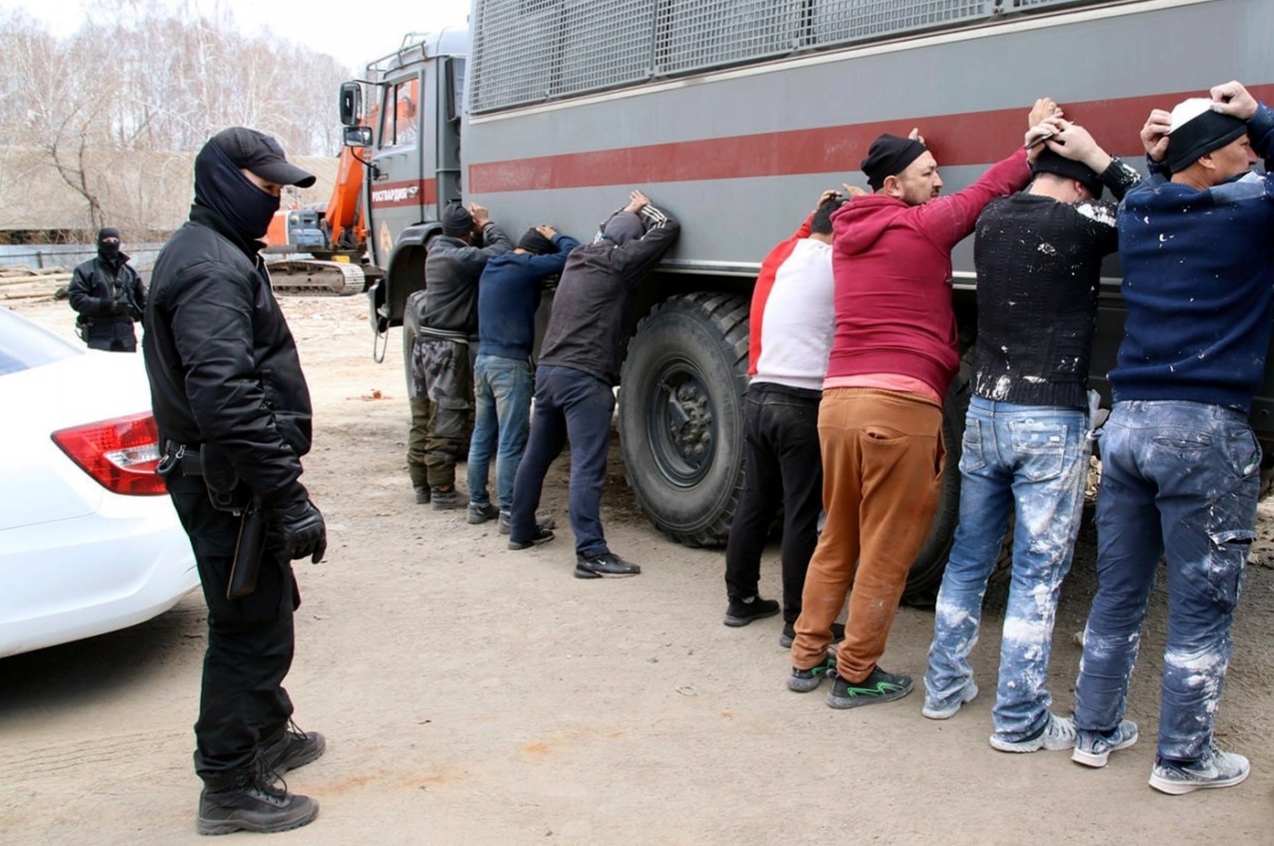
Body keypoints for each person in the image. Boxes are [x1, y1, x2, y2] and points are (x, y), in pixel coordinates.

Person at [787, 101, 1060, 707]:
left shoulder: (846, 234)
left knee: (839, 534)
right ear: (893, 185)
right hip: (900, 406)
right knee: (888, 547)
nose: (939, 182)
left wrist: (909, 157)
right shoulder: (925, 226)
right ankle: (856, 674)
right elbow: (986, 191)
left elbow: (905, 199)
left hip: (838, 402)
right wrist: (1030, 147)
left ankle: (807, 656)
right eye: (929, 172)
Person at [1071, 81, 1273, 794]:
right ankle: (1183, 760)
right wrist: (1260, 116)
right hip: (1202, 430)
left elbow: (1156, 191)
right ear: (1210, 159)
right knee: (1200, 603)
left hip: (1128, 425)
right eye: (1242, 146)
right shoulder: (1252, 213)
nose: (1254, 154)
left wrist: (1161, 160)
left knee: (1119, 590)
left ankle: (1093, 732)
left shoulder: (1141, 212)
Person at [921, 120, 1141, 752]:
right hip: (1048, 417)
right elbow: (1152, 211)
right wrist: (1108, 163)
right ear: (1080, 186)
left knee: (969, 554)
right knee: (1037, 572)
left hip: (985, 412)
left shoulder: (991, 219)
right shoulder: (1082, 222)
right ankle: (1020, 719)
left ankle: (944, 687)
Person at [143, 127, 327, 835]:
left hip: (232, 477)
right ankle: (226, 783)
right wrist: (287, 494)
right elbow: (224, 395)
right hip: (227, 483)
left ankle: (266, 734)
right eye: (265, 187)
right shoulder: (210, 267)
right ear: (222, 181)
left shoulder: (216, 251)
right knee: (247, 629)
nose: (274, 201)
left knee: (267, 610)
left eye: (280, 190)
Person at [507, 190, 679, 578]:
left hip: (549, 372)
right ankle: (591, 552)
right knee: (588, 465)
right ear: (627, 242)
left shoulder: (576, 259)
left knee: (537, 455)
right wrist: (645, 207)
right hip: (584, 378)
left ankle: (520, 529)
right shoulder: (620, 263)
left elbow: (606, 231)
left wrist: (625, 211)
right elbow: (668, 228)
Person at [723, 189, 847, 645]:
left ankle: (740, 600)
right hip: (802, 401)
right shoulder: (839, 264)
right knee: (801, 512)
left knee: (755, 501)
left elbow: (806, 234)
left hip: (759, 396)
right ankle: (799, 621)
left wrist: (815, 212)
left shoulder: (783, 254)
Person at [466, 224, 580, 530]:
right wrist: (556, 236)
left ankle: (477, 505)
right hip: (509, 365)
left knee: (482, 436)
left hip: (483, 361)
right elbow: (574, 253)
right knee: (511, 442)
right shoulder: (526, 266)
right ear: (536, 255)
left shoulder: (492, 266)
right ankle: (510, 514)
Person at [409, 202, 512, 509]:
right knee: (448, 415)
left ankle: (422, 485)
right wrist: (487, 224)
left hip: (425, 343)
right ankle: (442, 490)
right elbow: (503, 251)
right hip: (446, 347)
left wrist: (473, 231)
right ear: (467, 232)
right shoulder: (458, 257)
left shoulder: (437, 249)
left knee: (422, 415)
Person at [67, 227, 146, 351]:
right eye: (107, 240)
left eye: (115, 240)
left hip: (126, 334)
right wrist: (106, 305)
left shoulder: (129, 272)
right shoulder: (86, 270)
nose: (111, 243)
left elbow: (144, 301)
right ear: (100, 242)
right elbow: (77, 299)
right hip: (99, 333)